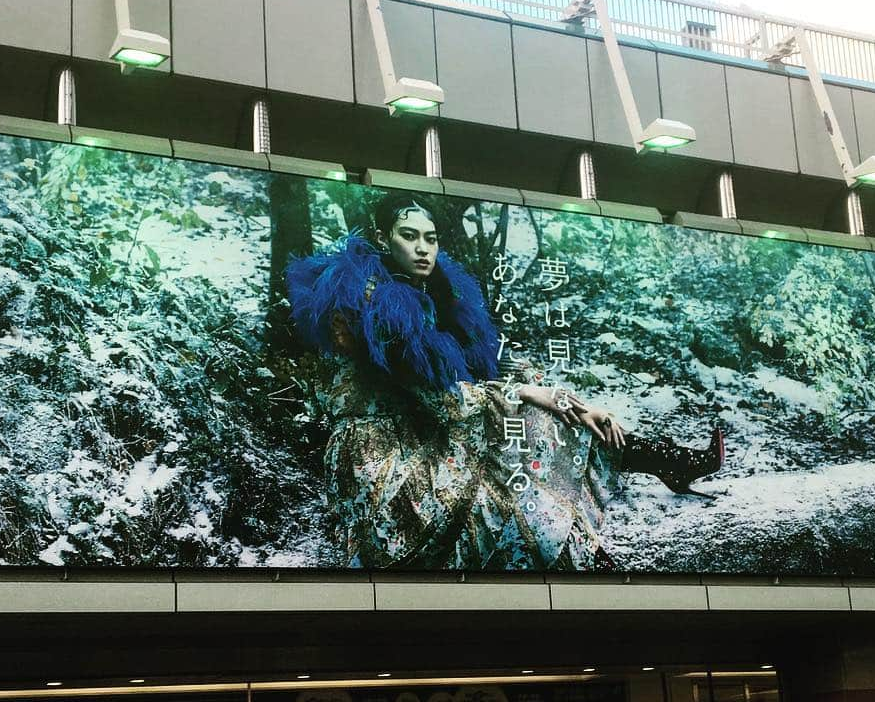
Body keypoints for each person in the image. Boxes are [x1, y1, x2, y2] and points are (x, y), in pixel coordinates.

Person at [286, 193, 723, 569]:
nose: (423, 249)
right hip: (385, 457)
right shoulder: (375, 306)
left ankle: (660, 465)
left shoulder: (434, 292)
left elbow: (488, 369)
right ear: (383, 239)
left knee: (539, 418)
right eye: (409, 235)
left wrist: (571, 401)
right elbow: (451, 405)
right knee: (518, 439)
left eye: (431, 238)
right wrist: (538, 397)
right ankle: (585, 535)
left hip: (423, 430)